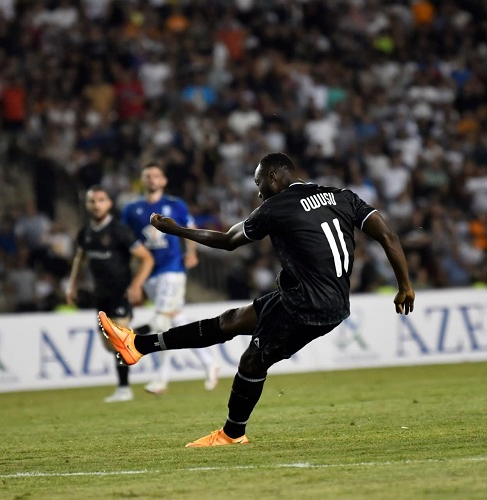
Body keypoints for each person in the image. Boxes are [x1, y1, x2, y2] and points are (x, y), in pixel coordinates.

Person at [100, 152, 415, 447]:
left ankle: (232, 434)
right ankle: (138, 345)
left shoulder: (276, 207)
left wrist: (178, 231)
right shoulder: (342, 196)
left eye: (259, 183)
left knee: (253, 360)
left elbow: (228, 241)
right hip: (319, 298)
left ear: (273, 176)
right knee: (231, 321)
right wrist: (405, 285)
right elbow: (388, 235)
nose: (259, 192)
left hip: (308, 306)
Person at [120, 163, 220, 395]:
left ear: (163, 181)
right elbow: (124, 239)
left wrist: (192, 252)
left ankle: (160, 378)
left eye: (156, 176)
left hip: (173, 269)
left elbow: (189, 229)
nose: (152, 179)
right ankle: (209, 361)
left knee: (161, 321)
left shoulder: (175, 204)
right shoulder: (132, 209)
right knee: (176, 320)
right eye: (147, 176)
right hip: (149, 273)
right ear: (142, 181)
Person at [66, 186, 154, 403]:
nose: (96, 205)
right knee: (109, 345)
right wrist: (72, 285)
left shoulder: (119, 231)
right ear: (87, 205)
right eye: (92, 201)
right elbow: (80, 258)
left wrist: (136, 286)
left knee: (118, 340)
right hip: (100, 295)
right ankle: (148, 331)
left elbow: (147, 258)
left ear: (109, 204)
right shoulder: (85, 233)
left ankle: (124, 388)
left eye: (101, 200)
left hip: (121, 292)